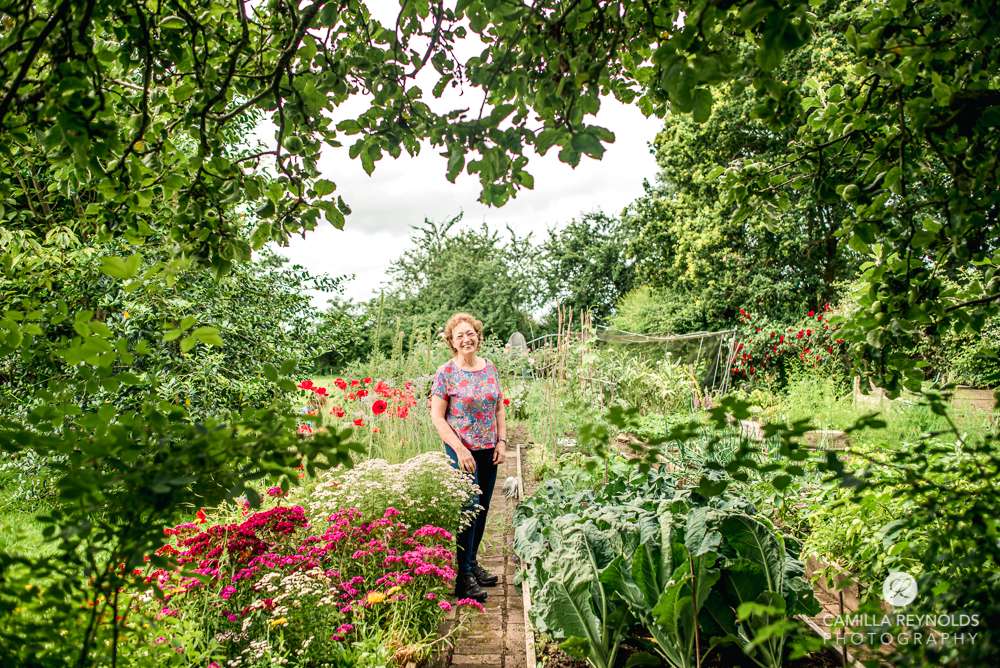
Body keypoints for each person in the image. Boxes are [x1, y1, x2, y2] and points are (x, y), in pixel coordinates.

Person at [430, 312, 507, 602]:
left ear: (478, 336)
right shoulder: (446, 372)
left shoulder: (489, 368)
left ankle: (472, 563)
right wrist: (460, 449)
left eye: (470, 333)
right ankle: (462, 576)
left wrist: (501, 441)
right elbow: (438, 418)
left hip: (489, 447)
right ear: (452, 341)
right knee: (468, 507)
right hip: (461, 450)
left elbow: (499, 408)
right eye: (459, 335)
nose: (466, 339)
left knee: (483, 507)